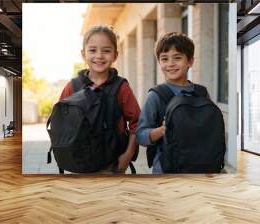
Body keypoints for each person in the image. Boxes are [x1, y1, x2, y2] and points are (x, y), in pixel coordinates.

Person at [59, 25, 140, 174]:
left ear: (115, 55)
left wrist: (127, 156)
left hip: (113, 166)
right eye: (92, 50)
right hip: (80, 166)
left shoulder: (121, 87)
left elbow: (137, 123)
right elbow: (61, 125)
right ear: (83, 54)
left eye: (106, 50)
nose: (99, 56)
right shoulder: (73, 86)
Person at [136, 32, 219, 174]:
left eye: (177, 58)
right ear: (159, 62)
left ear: (190, 62)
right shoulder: (156, 96)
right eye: (164, 59)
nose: (170, 64)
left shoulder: (201, 93)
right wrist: (162, 130)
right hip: (166, 169)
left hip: (201, 167)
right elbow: (141, 136)